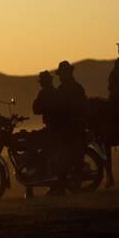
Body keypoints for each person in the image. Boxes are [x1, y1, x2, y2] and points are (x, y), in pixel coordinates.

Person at [51, 60, 87, 195]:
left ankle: (63, 187)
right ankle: (66, 187)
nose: (60, 77)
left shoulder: (66, 89)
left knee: (65, 158)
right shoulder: (77, 88)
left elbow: (59, 108)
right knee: (72, 159)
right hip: (73, 128)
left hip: (69, 129)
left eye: (62, 74)